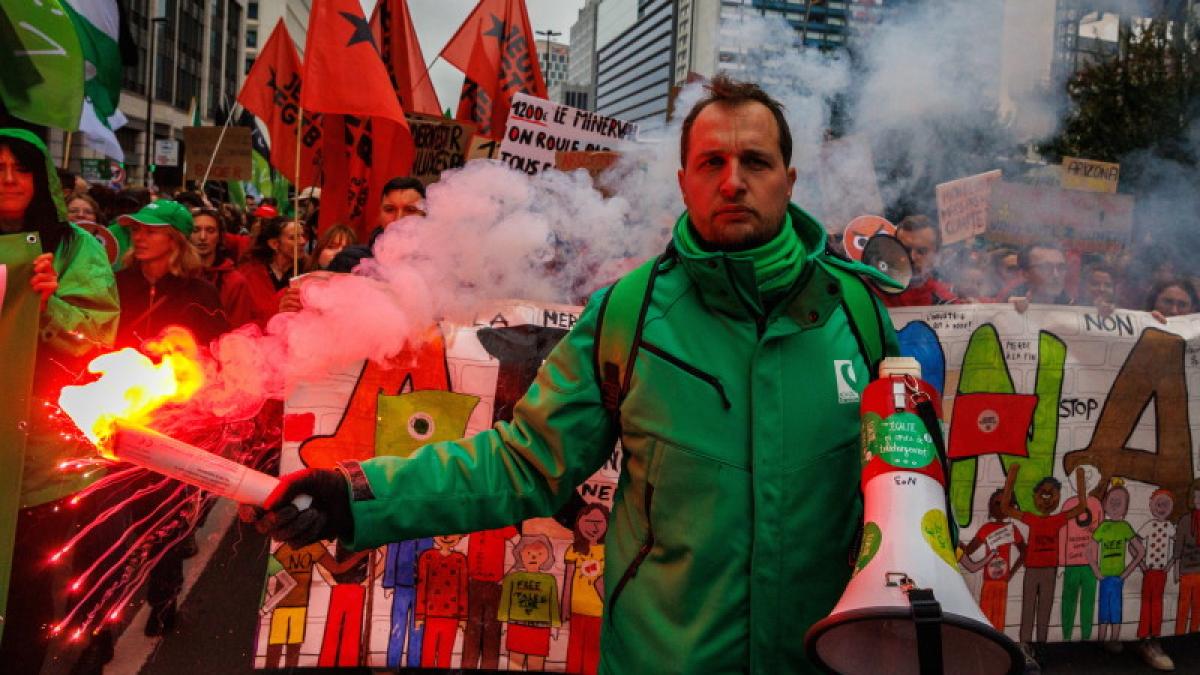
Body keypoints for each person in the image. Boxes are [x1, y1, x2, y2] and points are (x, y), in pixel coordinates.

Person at [249, 74, 901, 673]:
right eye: (712, 162)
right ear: (684, 182)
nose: (733, 181)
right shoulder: (630, 313)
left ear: (788, 178)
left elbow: (909, 491)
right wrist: (354, 495)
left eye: (754, 161)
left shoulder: (859, 317)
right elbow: (520, 462)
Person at [0, 129, 119, 673]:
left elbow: (98, 339)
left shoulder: (75, 249)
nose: (7, 179)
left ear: (40, 178)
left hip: (43, 460)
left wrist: (48, 307)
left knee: (25, 590)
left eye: (20, 169)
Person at [327, 176, 426, 273]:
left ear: (425, 215)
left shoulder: (438, 266)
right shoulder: (349, 261)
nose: (398, 219)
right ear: (380, 214)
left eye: (410, 210)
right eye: (390, 209)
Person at [232, 217, 307, 328]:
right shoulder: (249, 274)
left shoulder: (308, 271)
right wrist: (276, 311)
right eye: (293, 237)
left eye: (302, 235)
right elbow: (242, 322)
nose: (302, 241)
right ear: (274, 244)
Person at [879, 214, 960, 307]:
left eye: (921, 251)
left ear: (937, 254)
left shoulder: (946, 300)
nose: (912, 257)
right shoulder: (876, 293)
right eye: (905, 249)